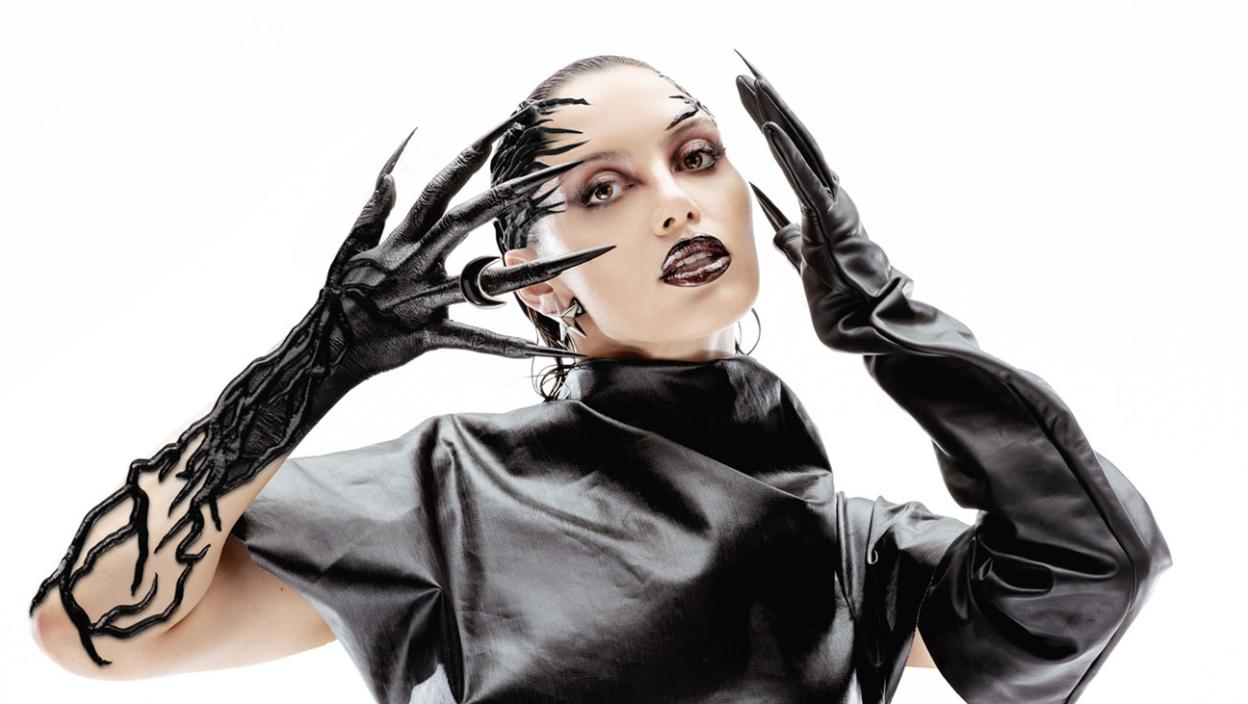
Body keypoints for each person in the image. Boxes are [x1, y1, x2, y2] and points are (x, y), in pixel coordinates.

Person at [29, 52, 1173, 704]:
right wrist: (309, 366)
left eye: (696, 156)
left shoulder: (851, 548)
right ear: (535, 284)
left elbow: (1096, 568)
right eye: (602, 188)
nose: (675, 201)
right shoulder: (446, 488)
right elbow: (96, 630)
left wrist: (894, 326)